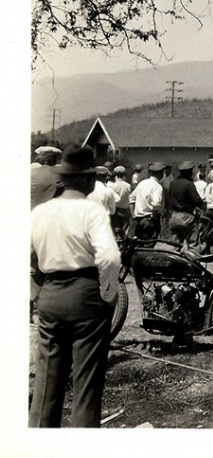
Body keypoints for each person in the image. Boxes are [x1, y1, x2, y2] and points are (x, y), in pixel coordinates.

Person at [29, 144, 121, 427]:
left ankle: (38, 449)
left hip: (50, 294)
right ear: (87, 179)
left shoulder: (39, 213)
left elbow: (26, 255)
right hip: (85, 295)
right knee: (86, 383)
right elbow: (109, 257)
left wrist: (37, 292)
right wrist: (107, 294)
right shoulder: (91, 212)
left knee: (45, 384)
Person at [168, 162, 206, 253]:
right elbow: (197, 200)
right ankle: (194, 264)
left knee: (175, 245)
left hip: (173, 217)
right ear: (190, 172)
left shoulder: (172, 183)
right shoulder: (189, 184)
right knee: (193, 245)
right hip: (186, 217)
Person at [130, 161, 166, 239]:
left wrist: (133, 214)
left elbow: (131, 198)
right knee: (148, 245)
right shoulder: (157, 186)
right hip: (149, 219)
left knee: (138, 245)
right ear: (160, 173)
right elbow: (156, 204)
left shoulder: (142, 183)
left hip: (137, 219)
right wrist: (155, 216)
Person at [108, 166, 132, 236]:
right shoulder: (128, 185)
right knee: (124, 229)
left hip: (116, 210)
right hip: (125, 210)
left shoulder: (113, 186)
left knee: (116, 229)